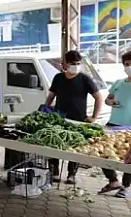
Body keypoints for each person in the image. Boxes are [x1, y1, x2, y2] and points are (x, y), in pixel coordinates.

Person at [45, 49, 102, 184]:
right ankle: (54, 172)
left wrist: (94, 117)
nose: (75, 66)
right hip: (58, 118)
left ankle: (72, 174)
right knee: (54, 144)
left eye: (77, 63)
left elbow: (98, 97)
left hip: (78, 120)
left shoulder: (85, 79)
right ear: (64, 64)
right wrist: (45, 109)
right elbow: (51, 96)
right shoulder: (58, 78)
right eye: (72, 63)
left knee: (75, 148)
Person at [100, 52, 131, 198]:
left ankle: (125, 187)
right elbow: (108, 99)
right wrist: (110, 102)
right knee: (102, 153)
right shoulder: (118, 83)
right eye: (126, 64)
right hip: (113, 124)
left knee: (129, 159)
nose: (129, 67)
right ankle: (113, 181)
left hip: (129, 128)